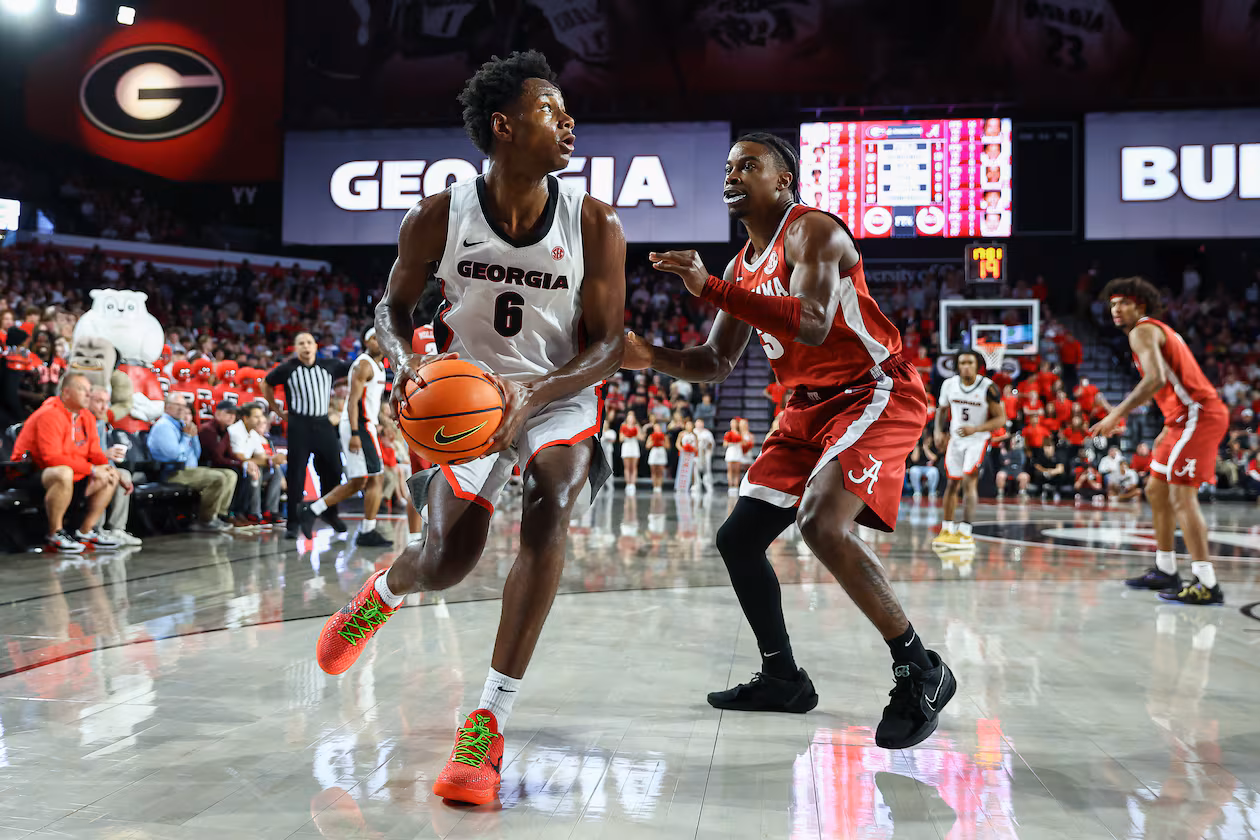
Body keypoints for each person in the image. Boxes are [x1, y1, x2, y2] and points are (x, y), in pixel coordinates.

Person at [315, 51, 626, 806]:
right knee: (447, 560)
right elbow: (389, 311)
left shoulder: (594, 221)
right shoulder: (437, 215)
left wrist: (537, 395)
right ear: (504, 126)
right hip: (465, 397)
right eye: (551, 110)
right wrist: (402, 363)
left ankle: (485, 724)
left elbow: (609, 344)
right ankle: (384, 590)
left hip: (557, 392)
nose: (568, 121)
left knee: (550, 508)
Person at [624, 132, 954, 749]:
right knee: (738, 539)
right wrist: (649, 357)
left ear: (783, 181)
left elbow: (812, 320)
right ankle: (783, 678)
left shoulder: (814, 232)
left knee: (823, 524)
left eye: (749, 164)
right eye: (728, 165)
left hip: (872, 391)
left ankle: (920, 668)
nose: (733, 173)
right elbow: (716, 362)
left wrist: (710, 290)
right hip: (803, 408)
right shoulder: (738, 267)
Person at [1092, 277, 1229, 606]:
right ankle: (1166, 569)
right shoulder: (1151, 331)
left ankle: (1207, 582)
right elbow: (1166, 385)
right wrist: (1167, 426)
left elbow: (1155, 379)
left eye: (1121, 302)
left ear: (1139, 304)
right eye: (1111, 304)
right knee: (1155, 489)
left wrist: (1115, 415)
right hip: (1179, 419)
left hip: (1198, 414)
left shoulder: (1142, 330)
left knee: (1182, 496)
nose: (1115, 309)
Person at [296, 328, 390, 546]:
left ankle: (312, 509)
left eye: (381, 337)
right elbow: (353, 401)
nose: (379, 342)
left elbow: (372, 402)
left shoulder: (380, 366)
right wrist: (356, 433)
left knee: (358, 482)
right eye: (374, 338)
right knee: (376, 478)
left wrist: (384, 423)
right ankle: (367, 531)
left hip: (367, 425)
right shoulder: (363, 364)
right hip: (360, 426)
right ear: (366, 342)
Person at [11, 372, 120, 552]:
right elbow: (51, 458)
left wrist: (107, 469)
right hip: (28, 471)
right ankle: (55, 533)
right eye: (82, 390)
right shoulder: (49, 414)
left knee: (110, 475)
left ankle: (85, 531)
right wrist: (92, 469)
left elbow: (95, 452)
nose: (88, 395)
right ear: (66, 393)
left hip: (67, 470)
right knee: (64, 472)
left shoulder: (86, 416)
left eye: (89, 390)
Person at [262, 333, 350, 539]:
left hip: (323, 423)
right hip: (298, 425)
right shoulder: (287, 368)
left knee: (335, 470)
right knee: (296, 474)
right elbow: (266, 384)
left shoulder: (330, 364)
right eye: (301, 343)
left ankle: (330, 512)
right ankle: (292, 523)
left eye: (309, 342)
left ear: (316, 346)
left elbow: (355, 368)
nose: (305, 346)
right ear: (295, 348)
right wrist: (276, 410)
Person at [933, 350, 1005, 548]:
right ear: (957, 365)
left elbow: (1001, 418)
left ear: (977, 365)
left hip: (977, 440)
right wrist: (938, 432)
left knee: (968, 482)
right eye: (962, 362)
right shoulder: (949, 385)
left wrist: (977, 428)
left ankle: (965, 531)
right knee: (951, 484)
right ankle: (947, 529)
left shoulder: (988, 387)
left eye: (970, 362)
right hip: (956, 440)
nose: (966, 366)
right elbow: (942, 410)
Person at [148, 395, 237, 532]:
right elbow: (174, 456)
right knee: (218, 478)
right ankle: (205, 520)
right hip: (172, 472)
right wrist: (187, 437)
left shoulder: (182, 425)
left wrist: (194, 436)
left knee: (230, 475)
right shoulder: (164, 426)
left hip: (189, 470)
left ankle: (218, 515)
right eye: (176, 405)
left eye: (183, 406)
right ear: (166, 407)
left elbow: (197, 454)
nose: (181, 409)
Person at [87, 386, 141, 546]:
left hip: (99, 466)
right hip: (85, 469)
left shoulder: (100, 423)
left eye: (106, 402)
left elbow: (104, 457)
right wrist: (106, 457)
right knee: (106, 476)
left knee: (123, 474)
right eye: (99, 402)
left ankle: (117, 529)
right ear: (87, 400)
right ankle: (96, 528)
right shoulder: (82, 420)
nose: (104, 407)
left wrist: (112, 468)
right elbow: (79, 454)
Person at [227, 401, 283, 525]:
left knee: (276, 471)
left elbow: (261, 455)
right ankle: (254, 513)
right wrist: (269, 460)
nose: (260, 419)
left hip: (246, 465)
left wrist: (272, 460)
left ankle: (270, 511)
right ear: (246, 418)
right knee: (256, 470)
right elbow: (239, 457)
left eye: (261, 416)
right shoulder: (236, 431)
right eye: (256, 416)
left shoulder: (253, 433)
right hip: (234, 466)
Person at [906, 430, 938, 500]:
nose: (926, 440)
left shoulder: (933, 446)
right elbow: (914, 459)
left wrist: (926, 448)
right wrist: (917, 446)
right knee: (913, 471)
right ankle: (917, 491)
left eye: (928, 438)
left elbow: (934, 458)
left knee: (934, 471)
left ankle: (932, 492)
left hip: (928, 468)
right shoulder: (917, 447)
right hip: (918, 467)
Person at [619, 410, 642, 493]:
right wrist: (627, 434)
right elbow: (620, 438)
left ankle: (633, 484)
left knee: (634, 467)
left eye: (632, 418)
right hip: (627, 446)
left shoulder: (637, 426)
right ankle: (628, 484)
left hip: (634, 445)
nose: (631, 419)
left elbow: (641, 437)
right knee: (627, 467)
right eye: (629, 418)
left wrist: (635, 433)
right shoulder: (623, 426)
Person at [694, 416, 715, 494]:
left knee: (707, 470)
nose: (699, 425)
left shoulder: (707, 433)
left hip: (705, 454)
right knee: (695, 470)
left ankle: (708, 486)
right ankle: (696, 485)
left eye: (700, 423)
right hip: (696, 454)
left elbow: (711, 445)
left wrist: (707, 442)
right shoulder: (693, 432)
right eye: (698, 423)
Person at [645, 422, 669, 492]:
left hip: (661, 451)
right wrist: (653, 442)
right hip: (654, 451)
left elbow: (668, 446)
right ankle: (654, 486)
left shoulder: (664, 436)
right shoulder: (651, 436)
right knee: (654, 470)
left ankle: (659, 486)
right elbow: (647, 446)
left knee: (660, 471)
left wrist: (661, 443)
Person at [723, 417, 743, 494]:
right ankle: (730, 485)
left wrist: (738, 442)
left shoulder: (740, 433)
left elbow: (743, 443)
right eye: (732, 423)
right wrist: (731, 442)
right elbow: (725, 444)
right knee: (730, 469)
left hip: (738, 451)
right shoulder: (728, 433)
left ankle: (736, 485)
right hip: (731, 451)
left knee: (737, 470)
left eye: (734, 423)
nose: (733, 424)